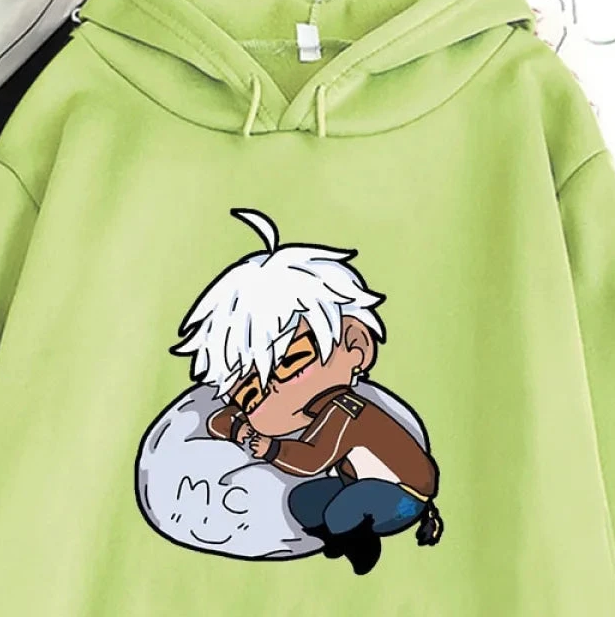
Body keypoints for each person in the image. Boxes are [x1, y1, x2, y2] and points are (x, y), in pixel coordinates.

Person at [169, 208, 443, 575]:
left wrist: (265, 445)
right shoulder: (319, 411)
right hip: (358, 485)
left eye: (289, 363)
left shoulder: (345, 410)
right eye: (250, 393)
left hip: (406, 494)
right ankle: (339, 535)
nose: (272, 394)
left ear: (355, 344)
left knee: (346, 508)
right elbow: (232, 423)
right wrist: (238, 426)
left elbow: (312, 459)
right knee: (304, 499)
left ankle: (358, 545)